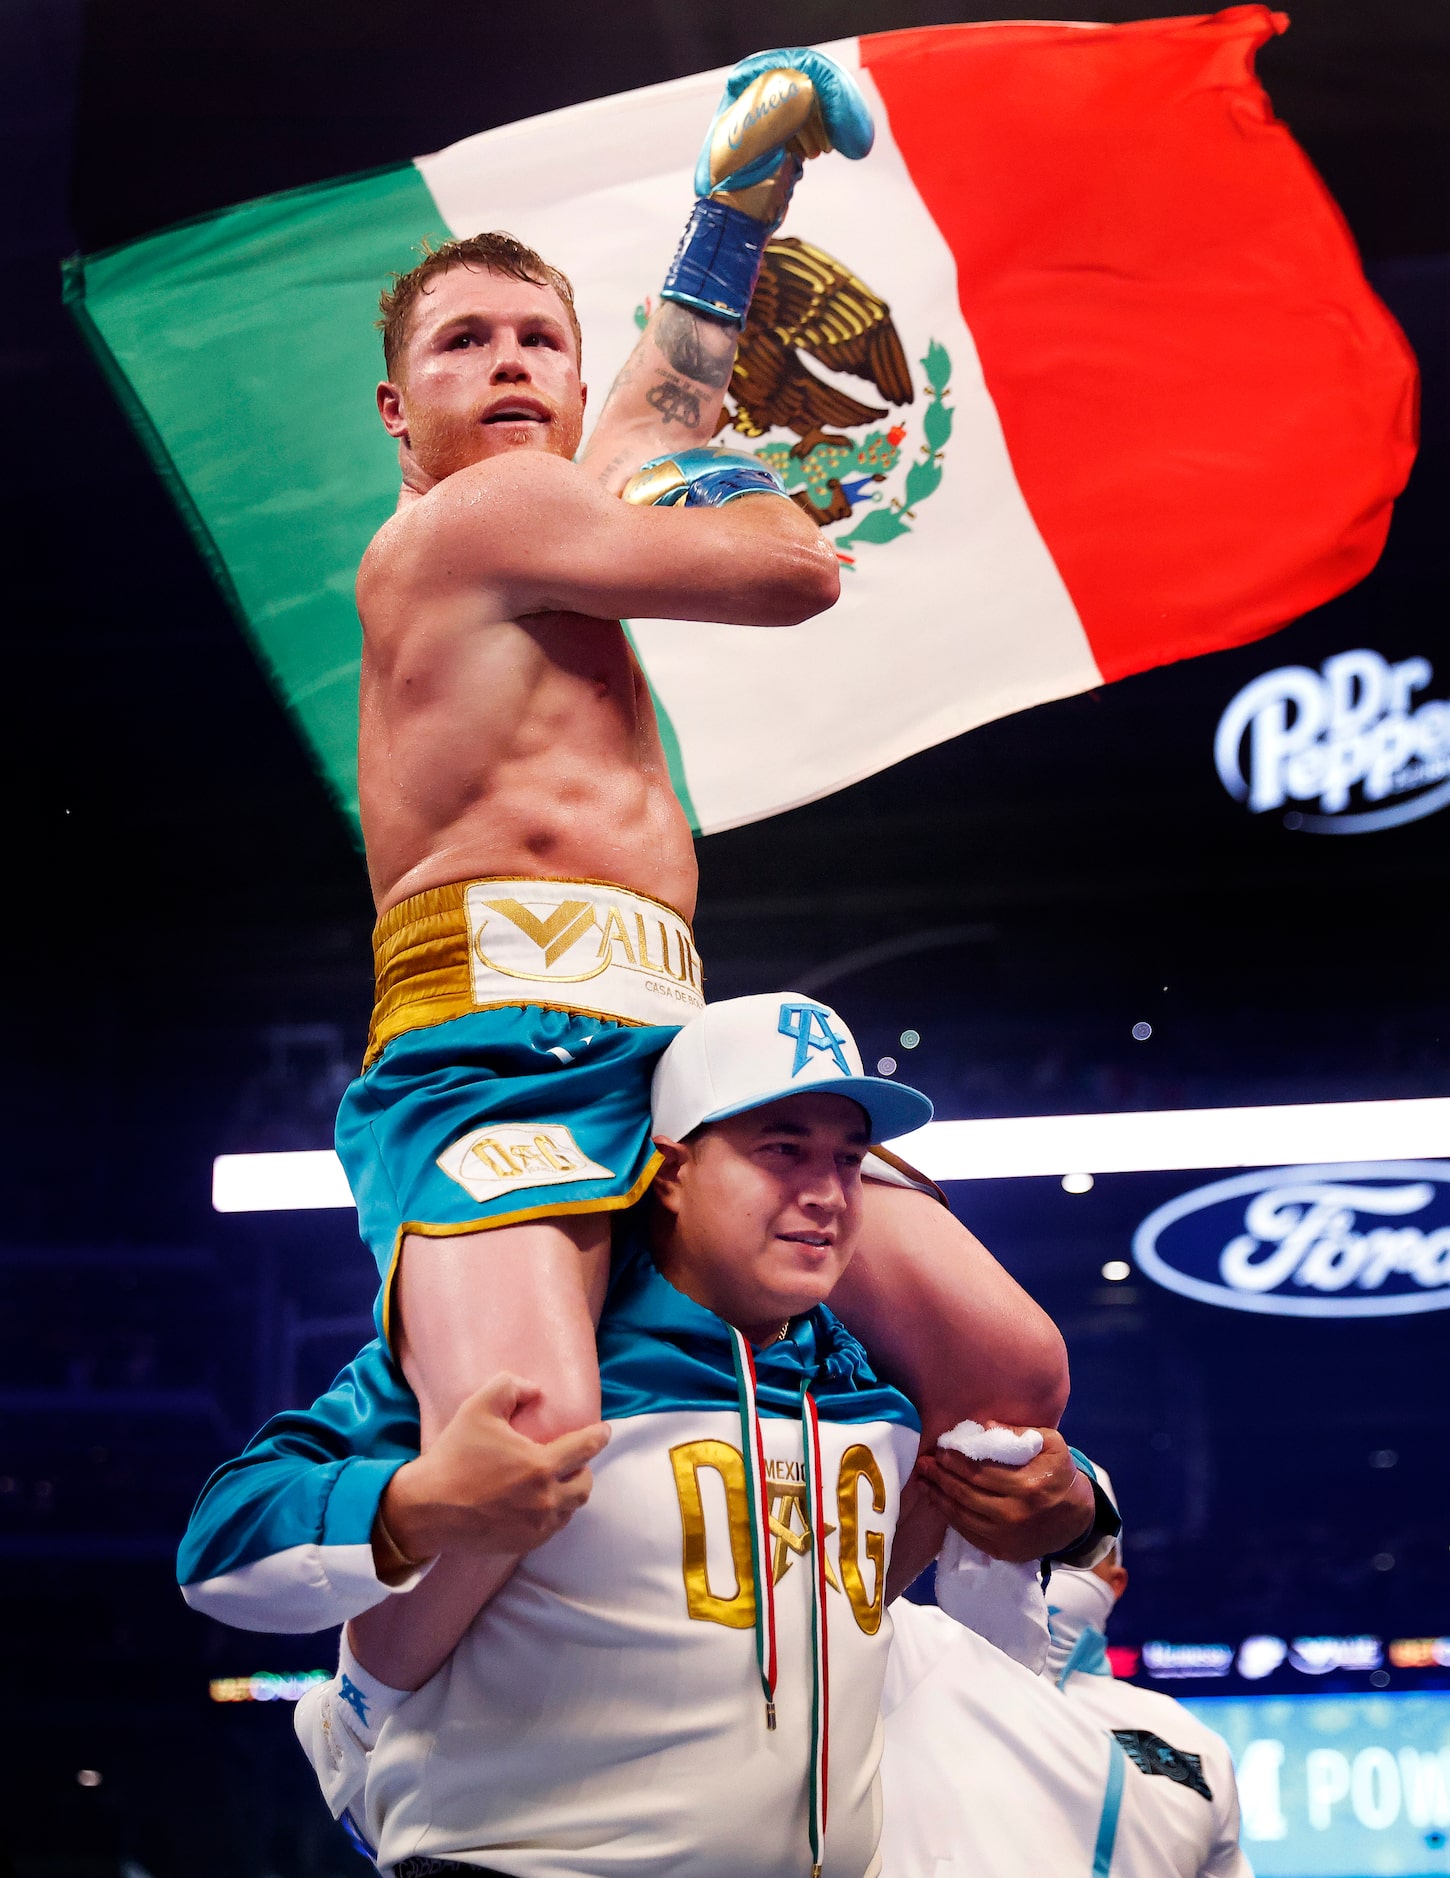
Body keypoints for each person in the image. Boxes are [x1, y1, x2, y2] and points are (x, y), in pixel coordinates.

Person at [335, 37, 1076, 1633]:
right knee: (524, 1443)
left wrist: (741, 193)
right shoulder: (468, 521)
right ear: (405, 412)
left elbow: (662, 394)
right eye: (467, 343)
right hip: (492, 1044)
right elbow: (789, 569)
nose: (514, 361)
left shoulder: (569, 508)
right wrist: (709, 473)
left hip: (678, 1051)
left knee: (1006, 1365)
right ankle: (388, 1704)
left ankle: (839, 1667)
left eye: (542, 336)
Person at [179, 995, 1109, 1874]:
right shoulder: (533, 1366)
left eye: (847, 1157)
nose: (826, 1190)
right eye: (782, 1148)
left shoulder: (879, 1394)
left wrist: (1069, 1506)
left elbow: (1065, 1504)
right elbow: (222, 1541)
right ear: (669, 1173)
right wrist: (414, 1506)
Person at [1043, 1472, 1250, 1878]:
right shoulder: (907, 1676)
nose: (1040, 1564)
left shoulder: (1189, 1743)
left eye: (1073, 1547)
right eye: (1019, 1540)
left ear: (1114, 1582)